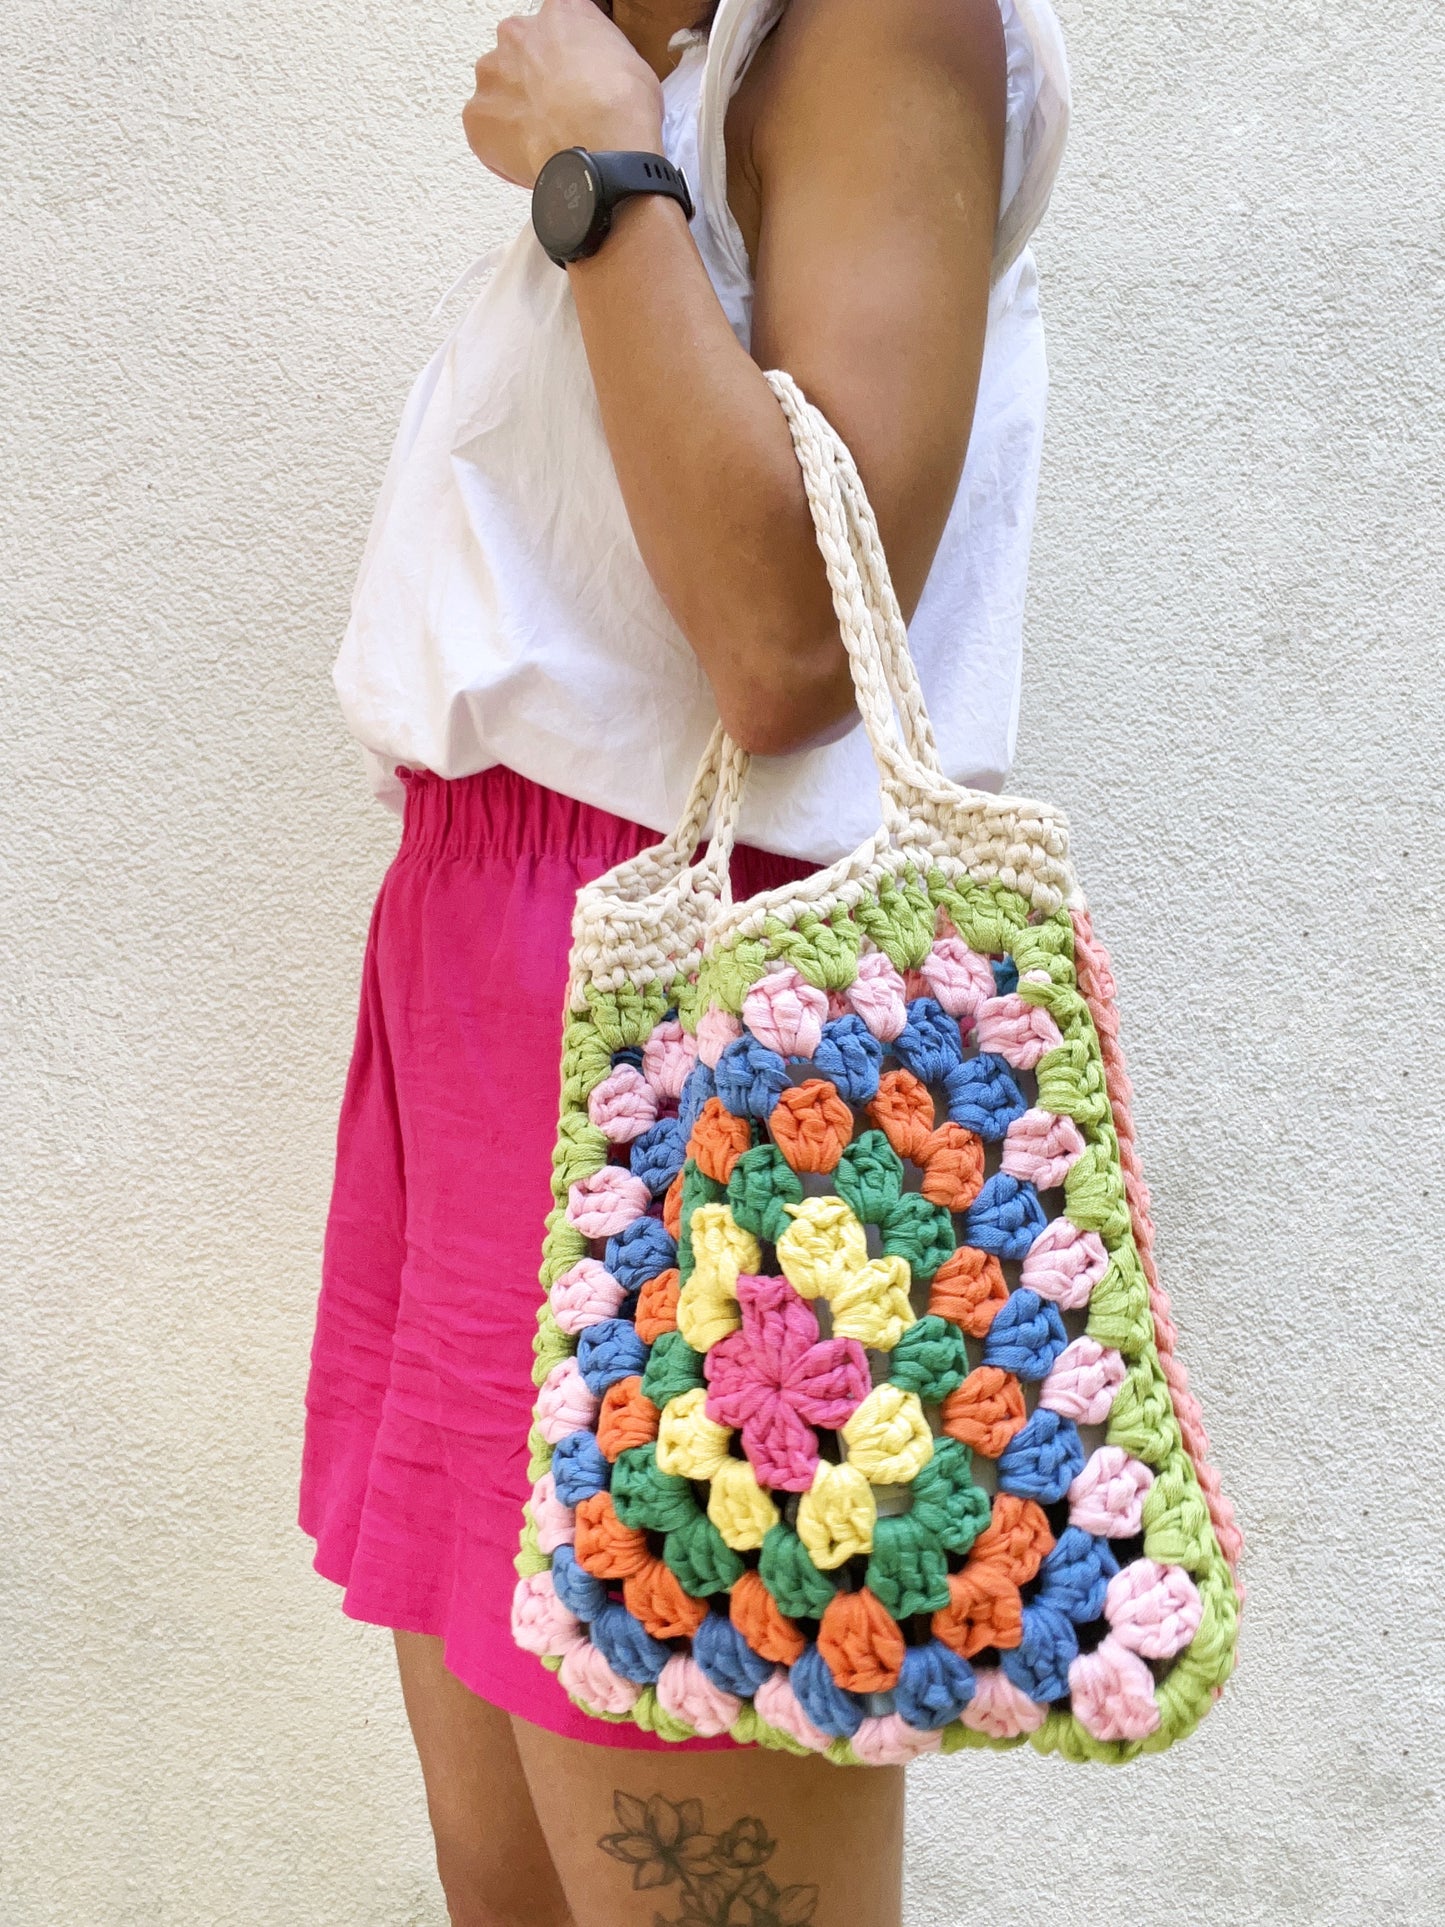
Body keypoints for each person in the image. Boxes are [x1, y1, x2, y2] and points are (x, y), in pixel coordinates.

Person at [300, 0, 1071, 1920]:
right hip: (491, 984)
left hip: (708, 1046)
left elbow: (791, 646)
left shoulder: (869, 25)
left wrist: (607, 171)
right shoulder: (683, 45)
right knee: (522, 1888)